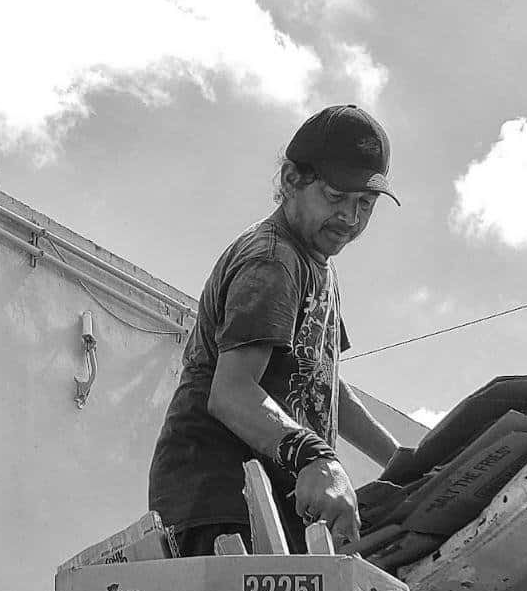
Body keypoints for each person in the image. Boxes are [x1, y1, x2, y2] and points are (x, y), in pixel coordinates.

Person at [149, 104, 409, 555]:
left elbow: (322, 385)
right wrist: (316, 457)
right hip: (221, 501)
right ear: (291, 180)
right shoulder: (273, 261)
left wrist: (400, 460)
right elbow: (230, 393)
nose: (350, 217)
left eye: (364, 204)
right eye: (335, 196)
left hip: (270, 503)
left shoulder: (317, 266)